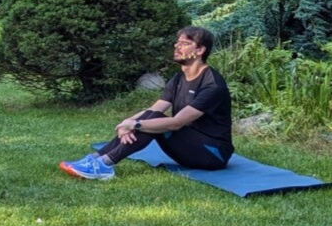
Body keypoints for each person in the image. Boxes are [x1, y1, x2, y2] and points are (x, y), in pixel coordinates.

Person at [60, 26, 233, 181]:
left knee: (155, 122)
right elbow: (154, 109)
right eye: (177, 42)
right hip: (189, 143)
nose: (176, 46)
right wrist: (124, 124)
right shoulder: (179, 78)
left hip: (212, 153)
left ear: (200, 50)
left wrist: (135, 124)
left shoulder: (212, 85)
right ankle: (97, 157)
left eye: (185, 43)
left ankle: (105, 164)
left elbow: (177, 123)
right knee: (152, 117)